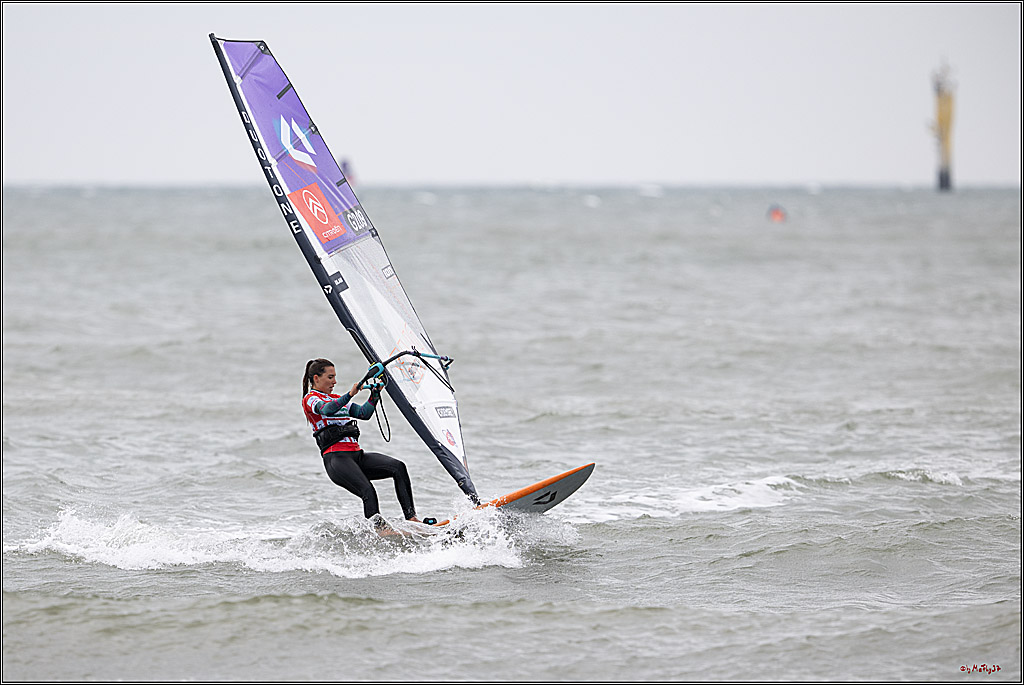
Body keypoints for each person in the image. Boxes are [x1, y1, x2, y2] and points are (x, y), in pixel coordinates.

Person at [302, 358, 422, 530]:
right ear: (316, 378)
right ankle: (378, 530)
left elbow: (363, 413)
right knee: (368, 491)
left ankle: (412, 518)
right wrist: (350, 394)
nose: (335, 381)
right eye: (330, 377)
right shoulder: (310, 399)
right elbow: (326, 409)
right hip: (337, 459)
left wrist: (374, 395)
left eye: (335, 377)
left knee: (398, 467)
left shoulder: (337, 398)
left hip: (356, 456)